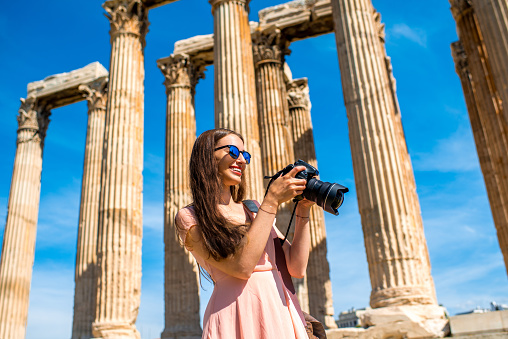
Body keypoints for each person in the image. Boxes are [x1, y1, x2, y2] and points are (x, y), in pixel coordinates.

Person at [175, 128, 315, 338]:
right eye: (232, 151)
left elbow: (297, 267)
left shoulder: (254, 209)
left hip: (279, 309)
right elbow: (241, 267)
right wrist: (272, 200)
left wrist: (303, 210)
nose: (241, 160)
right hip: (234, 313)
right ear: (207, 157)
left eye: (245, 154)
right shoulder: (189, 217)